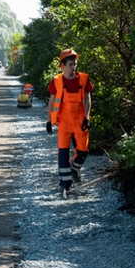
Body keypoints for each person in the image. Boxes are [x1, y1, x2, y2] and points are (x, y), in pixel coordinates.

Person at [46, 48, 93, 195]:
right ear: (63, 66)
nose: (74, 67)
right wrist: (49, 120)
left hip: (80, 121)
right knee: (63, 153)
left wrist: (87, 117)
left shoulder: (84, 79)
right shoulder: (57, 81)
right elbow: (52, 101)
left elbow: (87, 99)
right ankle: (65, 183)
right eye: (71, 64)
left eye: (75, 64)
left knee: (83, 150)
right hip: (64, 123)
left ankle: (75, 169)